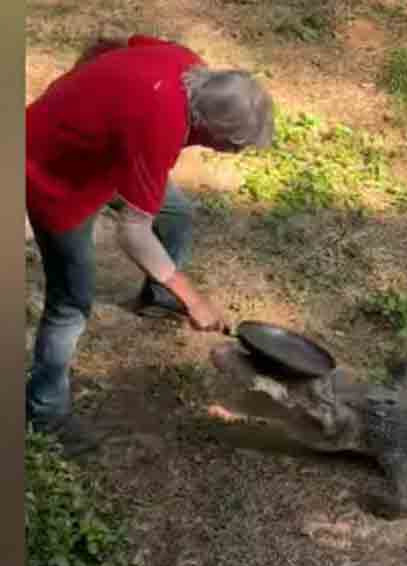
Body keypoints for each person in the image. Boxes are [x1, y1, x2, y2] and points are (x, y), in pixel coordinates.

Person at [26, 34, 275, 456]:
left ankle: (157, 297)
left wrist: (87, 94)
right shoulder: (160, 127)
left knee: (176, 213)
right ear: (209, 128)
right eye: (234, 146)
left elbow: (110, 43)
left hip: (109, 154)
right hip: (52, 173)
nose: (234, 153)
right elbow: (133, 231)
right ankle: (44, 412)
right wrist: (194, 298)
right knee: (70, 306)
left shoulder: (186, 63)